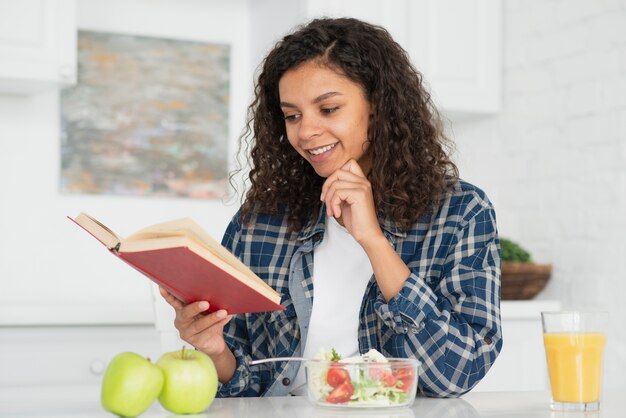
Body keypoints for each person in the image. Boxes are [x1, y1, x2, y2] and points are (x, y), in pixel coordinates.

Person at [159, 17, 502, 398]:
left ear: (377, 108)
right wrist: (214, 349)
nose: (305, 132)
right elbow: (248, 383)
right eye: (292, 115)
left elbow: (457, 374)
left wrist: (373, 240)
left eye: (328, 108)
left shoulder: (460, 212)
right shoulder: (261, 221)